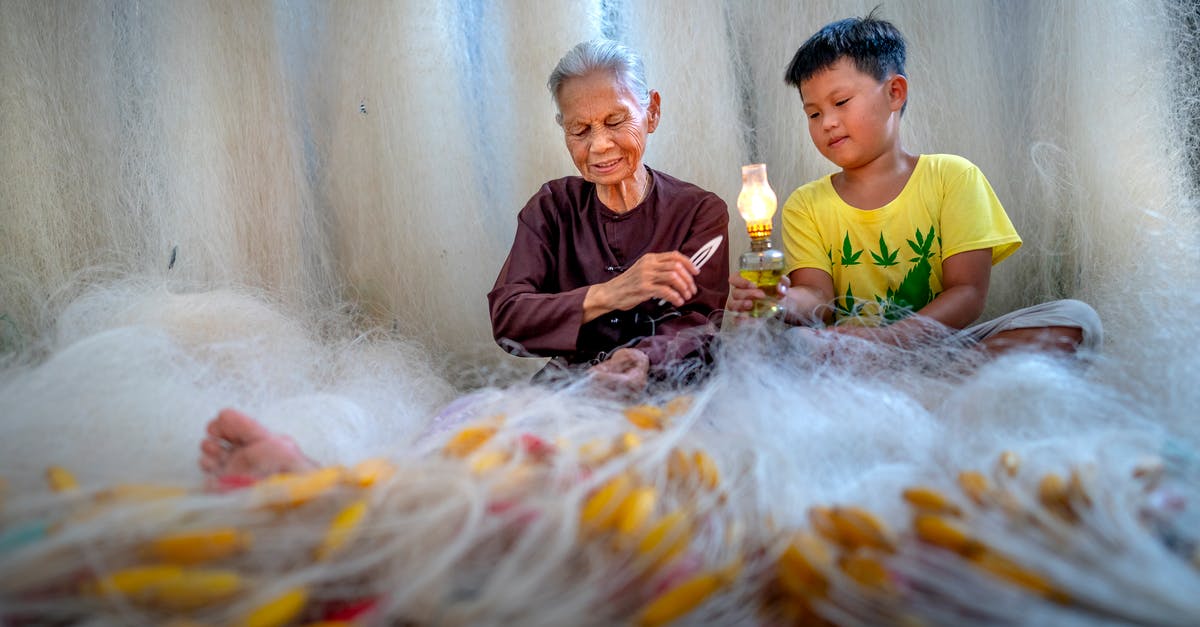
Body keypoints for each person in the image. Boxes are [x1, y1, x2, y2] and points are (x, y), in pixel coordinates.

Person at [728, 12, 1101, 356]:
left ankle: (928, 382)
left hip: (938, 347)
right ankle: (937, 389)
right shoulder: (805, 204)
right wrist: (779, 299)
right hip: (851, 354)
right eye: (813, 113)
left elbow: (968, 292)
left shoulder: (953, 177)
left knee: (1076, 319)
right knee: (793, 344)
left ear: (894, 93)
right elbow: (817, 300)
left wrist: (891, 340)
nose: (827, 122)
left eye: (840, 102)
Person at [488, 40, 730, 395]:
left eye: (615, 121)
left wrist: (644, 358)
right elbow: (509, 318)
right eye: (580, 130)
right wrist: (610, 293)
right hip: (573, 388)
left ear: (652, 113)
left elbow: (699, 325)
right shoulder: (552, 207)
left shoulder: (698, 211)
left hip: (672, 386)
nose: (599, 145)